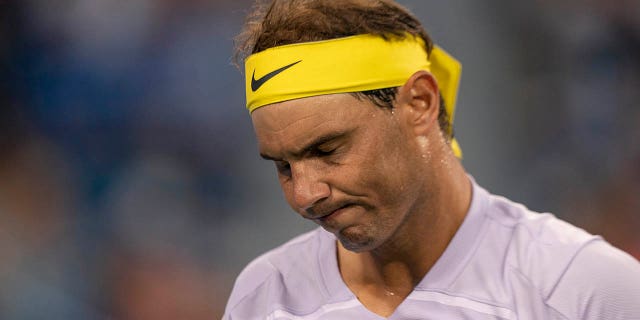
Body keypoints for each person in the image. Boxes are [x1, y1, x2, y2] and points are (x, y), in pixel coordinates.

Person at [223, 0, 640, 319]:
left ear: (419, 103)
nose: (305, 195)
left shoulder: (590, 291)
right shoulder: (264, 296)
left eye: (328, 150)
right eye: (283, 166)